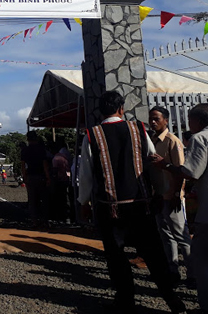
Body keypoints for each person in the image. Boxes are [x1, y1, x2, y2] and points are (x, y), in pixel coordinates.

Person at [78, 91, 185, 314]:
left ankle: (125, 300)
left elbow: (86, 172)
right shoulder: (138, 129)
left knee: (116, 257)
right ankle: (172, 299)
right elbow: (152, 161)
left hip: (110, 207)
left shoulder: (92, 134)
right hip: (141, 204)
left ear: (101, 110)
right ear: (121, 108)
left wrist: (83, 202)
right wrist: (160, 192)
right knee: (154, 255)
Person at [152, 103, 208, 313]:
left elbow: (191, 172)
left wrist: (165, 165)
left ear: (197, 121)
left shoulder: (200, 139)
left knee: (205, 263)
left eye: (189, 120)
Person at [148, 106, 193, 283]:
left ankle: (192, 274)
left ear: (166, 120)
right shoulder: (151, 140)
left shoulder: (172, 141)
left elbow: (180, 170)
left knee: (181, 237)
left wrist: (176, 194)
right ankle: (172, 270)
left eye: (156, 119)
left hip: (171, 196)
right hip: (158, 196)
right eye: (151, 118)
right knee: (165, 235)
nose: (153, 122)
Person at [21, 131, 51, 227]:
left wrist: (24, 177)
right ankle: (44, 220)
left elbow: (23, 166)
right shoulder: (41, 149)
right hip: (41, 175)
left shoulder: (25, 150)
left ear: (28, 139)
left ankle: (34, 220)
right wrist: (48, 177)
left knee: (32, 200)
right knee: (44, 199)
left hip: (30, 176)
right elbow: (45, 164)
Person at [51, 138, 73, 223]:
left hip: (59, 180)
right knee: (66, 198)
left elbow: (55, 171)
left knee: (60, 199)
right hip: (67, 179)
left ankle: (61, 216)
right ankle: (67, 216)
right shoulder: (66, 155)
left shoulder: (57, 158)